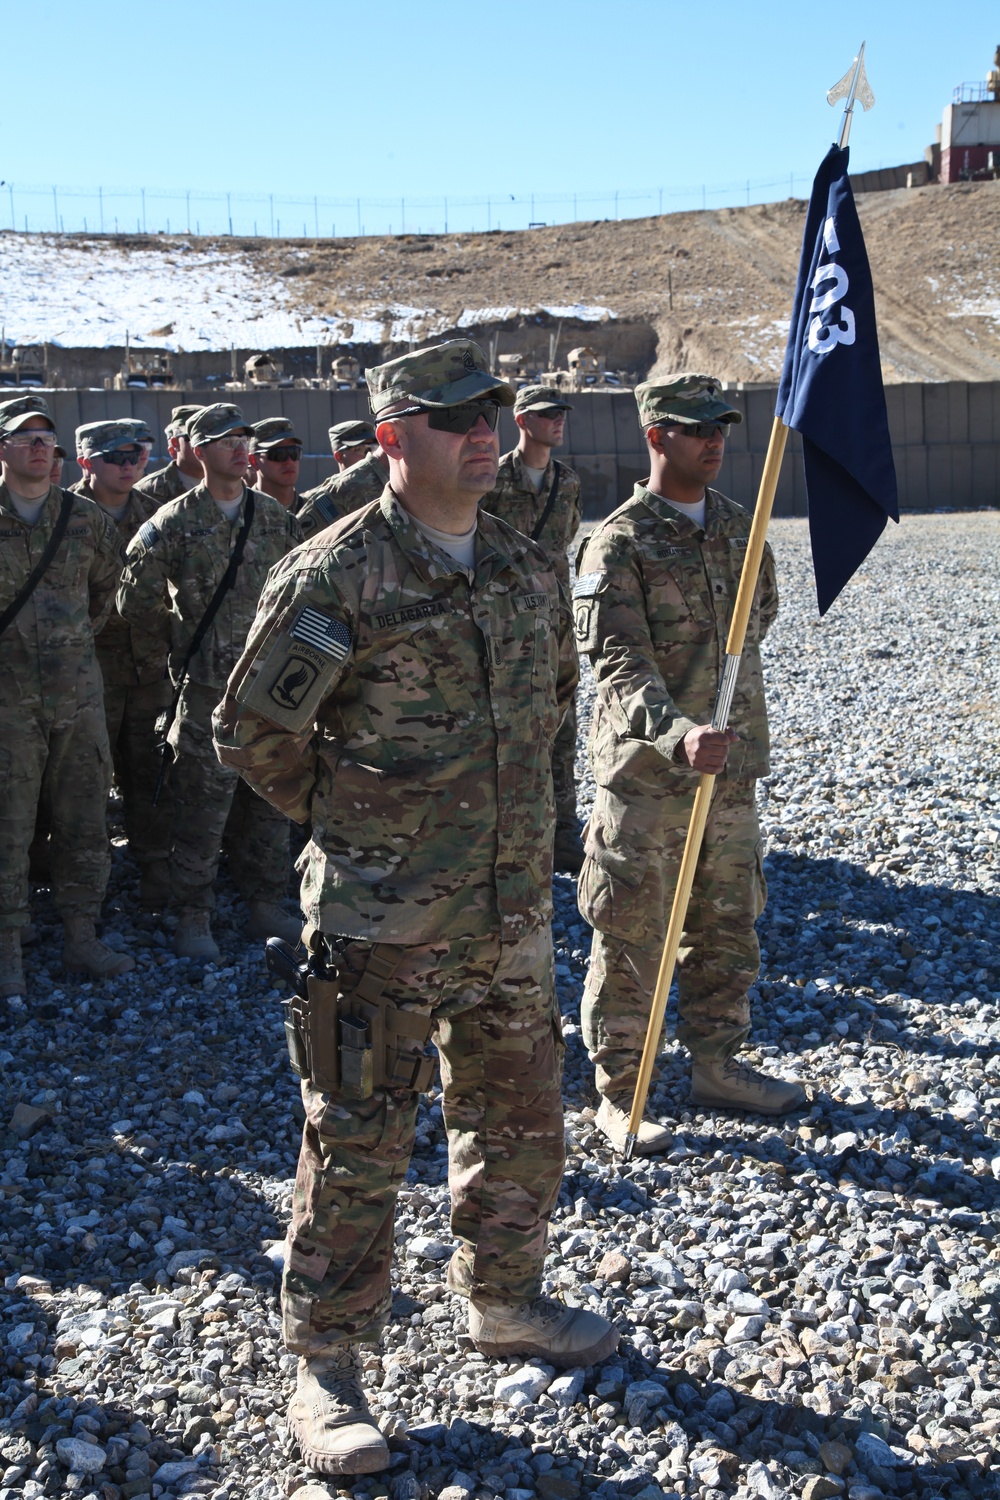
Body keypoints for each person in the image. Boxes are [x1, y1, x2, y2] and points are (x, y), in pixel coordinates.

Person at [213, 339, 615, 1477]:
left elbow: (547, 728)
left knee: (521, 1119)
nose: (482, 433)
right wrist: (361, 829)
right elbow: (250, 737)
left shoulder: (528, 566)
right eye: (452, 419)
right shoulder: (337, 575)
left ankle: (507, 1300)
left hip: (507, 916)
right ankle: (326, 1369)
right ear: (392, 438)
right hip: (379, 924)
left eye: (487, 413)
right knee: (355, 1139)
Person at [575, 374, 806, 1154]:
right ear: (655, 435)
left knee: (728, 923)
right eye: (694, 427)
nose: (713, 440)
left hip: (730, 774)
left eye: (721, 427)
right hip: (651, 781)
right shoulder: (618, 543)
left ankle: (719, 1062)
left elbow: (761, 613)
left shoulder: (744, 528)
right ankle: (619, 1090)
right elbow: (617, 662)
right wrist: (676, 733)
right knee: (633, 931)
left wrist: (718, 736)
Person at [117, 403, 304, 961]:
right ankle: (192, 914)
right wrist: (176, 652)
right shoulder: (172, 522)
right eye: (226, 441)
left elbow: (303, 593)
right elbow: (134, 602)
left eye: (245, 440)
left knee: (267, 802)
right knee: (202, 807)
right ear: (199, 452)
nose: (240, 450)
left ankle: (265, 902)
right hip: (205, 694)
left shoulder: (273, 520)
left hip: (266, 691)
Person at [0, 394, 135, 1000]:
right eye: (24, 436)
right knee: (7, 827)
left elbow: (108, 594)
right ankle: (8, 950)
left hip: (79, 701)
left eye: (46, 439)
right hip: (5, 707)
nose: (38, 447)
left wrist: (69, 643)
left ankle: (81, 935)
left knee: (84, 820)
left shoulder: (84, 521)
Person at [72, 419, 175, 909]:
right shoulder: (63, 516)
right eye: (116, 457)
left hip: (149, 669)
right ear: (87, 461)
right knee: (84, 782)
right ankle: (83, 884)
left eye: (136, 455)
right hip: (87, 674)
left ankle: (155, 869)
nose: (129, 465)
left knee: (149, 772)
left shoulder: (158, 516)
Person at [482, 385, 583, 873]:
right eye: (547, 414)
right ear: (521, 420)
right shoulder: (494, 479)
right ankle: (512, 836)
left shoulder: (568, 482)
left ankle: (564, 832)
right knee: (511, 729)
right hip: (508, 624)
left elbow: (568, 538)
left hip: (557, 622)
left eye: (561, 413)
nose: (557, 421)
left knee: (563, 728)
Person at [296, 428, 389, 540]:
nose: (368, 454)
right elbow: (299, 541)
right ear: (339, 456)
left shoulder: (391, 480)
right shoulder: (336, 492)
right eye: (359, 449)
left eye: (373, 447)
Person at [133, 403, 204, 505]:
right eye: (193, 437)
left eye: (208, 438)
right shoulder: (146, 492)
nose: (201, 443)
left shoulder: (229, 486)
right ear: (175, 443)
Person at [248, 418, 306, 516]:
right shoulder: (243, 514)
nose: (289, 461)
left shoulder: (313, 510)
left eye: (294, 452)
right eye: (279, 454)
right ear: (254, 461)